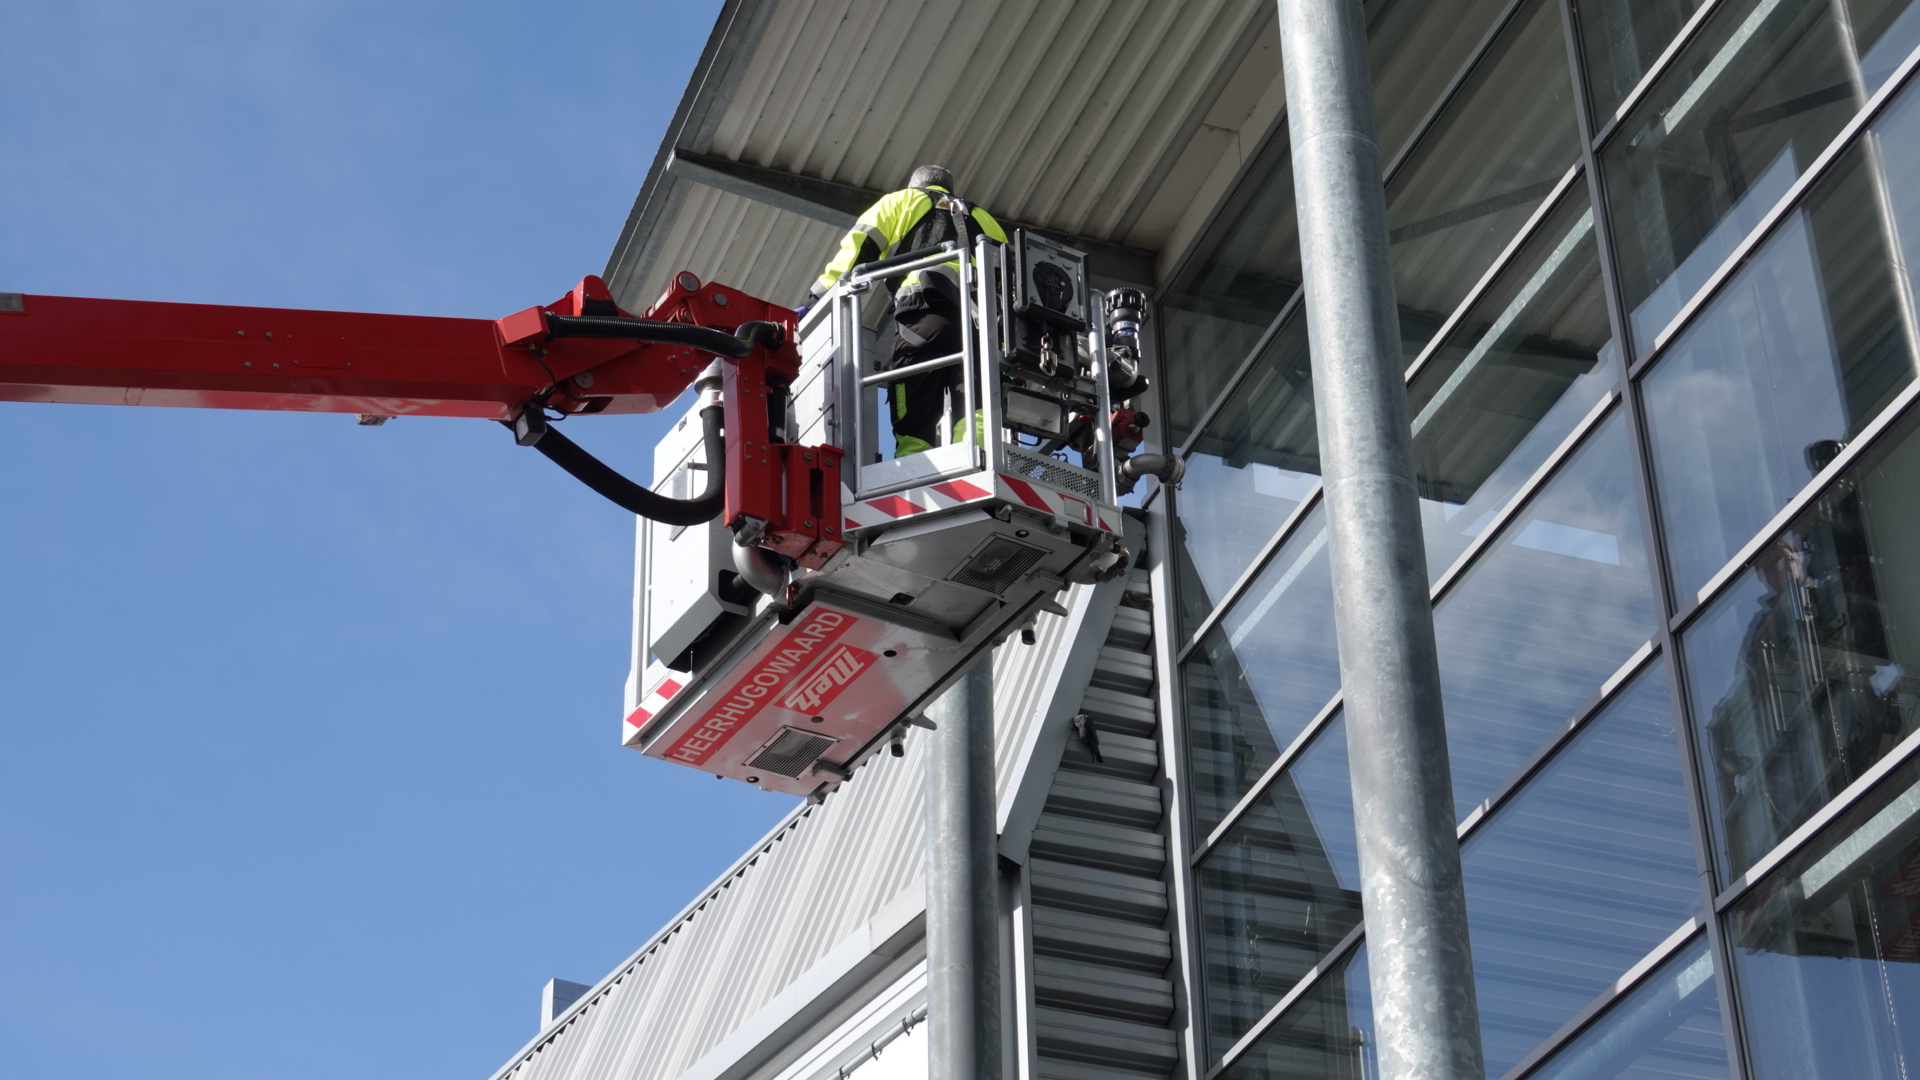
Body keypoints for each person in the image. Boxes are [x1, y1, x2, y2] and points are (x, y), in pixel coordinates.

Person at [806, 165, 1008, 457]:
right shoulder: (985, 219)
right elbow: (1009, 282)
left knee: (913, 408)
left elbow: (858, 249)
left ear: (915, 185)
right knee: (977, 403)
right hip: (980, 323)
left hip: (922, 315)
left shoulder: (901, 201)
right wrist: (1002, 345)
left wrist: (817, 298)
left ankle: (915, 471)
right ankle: (977, 459)